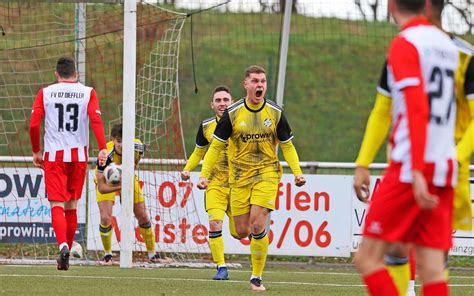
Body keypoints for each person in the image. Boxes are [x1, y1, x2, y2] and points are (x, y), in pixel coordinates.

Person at [354, 0, 474, 295]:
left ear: (391, 5)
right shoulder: (448, 47)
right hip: (445, 167)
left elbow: (418, 107)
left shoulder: (406, 43)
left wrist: (417, 169)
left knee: (367, 257)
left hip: (411, 167)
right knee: (433, 268)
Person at [197, 65, 306, 291]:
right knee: (241, 231)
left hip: (266, 173)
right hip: (238, 178)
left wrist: (298, 173)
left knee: (257, 223)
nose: (259, 85)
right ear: (245, 85)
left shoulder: (275, 113)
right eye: (255, 81)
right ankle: (250, 239)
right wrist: (204, 175)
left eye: (263, 82)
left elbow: (288, 146)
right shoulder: (233, 113)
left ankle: (256, 277)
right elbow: (215, 147)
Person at [29, 56, 108, 270]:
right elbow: (95, 119)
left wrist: (36, 151)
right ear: (77, 74)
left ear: (56, 74)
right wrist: (103, 148)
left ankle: (63, 245)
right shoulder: (88, 92)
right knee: (72, 204)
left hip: (54, 157)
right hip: (78, 158)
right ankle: (69, 249)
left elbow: (34, 125)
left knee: (56, 203)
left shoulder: (45, 93)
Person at [181, 85, 238, 280]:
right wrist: (188, 169)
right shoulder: (206, 126)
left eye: (225, 100)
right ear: (212, 104)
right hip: (215, 184)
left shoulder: (241, 122)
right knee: (214, 223)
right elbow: (199, 151)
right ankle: (221, 267)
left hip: (240, 185)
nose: (222, 103)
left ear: (232, 102)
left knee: (240, 232)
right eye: (218, 100)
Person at [95, 123, 169, 265]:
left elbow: (135, 164)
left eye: (125, 140)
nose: (122, 145)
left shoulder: (138, 147)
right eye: (118, 141)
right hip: (106, 181)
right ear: (112, 139)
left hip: (128, 177)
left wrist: (126, 179)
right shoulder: (106, 155)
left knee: (142, 215)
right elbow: (102, 188)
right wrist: (121, 184)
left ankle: (153, 254)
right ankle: (108, 256)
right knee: (105, 217)